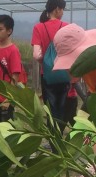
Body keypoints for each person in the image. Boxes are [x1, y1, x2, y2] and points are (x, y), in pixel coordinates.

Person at [31, 0, 69, 128]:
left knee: (50, 110)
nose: (63, 12)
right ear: (57, 9)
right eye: (62, 9)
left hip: (47, 75)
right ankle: (62, 141)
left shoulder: (38, 27)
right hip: (64, 74)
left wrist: (46, 62)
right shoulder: (66, 26)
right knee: (62, 108)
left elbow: (36, 55)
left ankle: (54, 142)